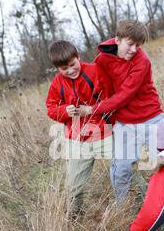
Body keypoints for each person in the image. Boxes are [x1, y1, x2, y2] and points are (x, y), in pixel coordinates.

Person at [80, 20, 164, 205]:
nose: (134, 49)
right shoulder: (102, 59)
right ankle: (123, 209)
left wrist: (94, 109)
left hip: (152, 117)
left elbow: (125, 95)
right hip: (125, 123)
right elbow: (97, 84)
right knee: (121, 169)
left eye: (138, 45)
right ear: (117, 40)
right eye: (130, 44)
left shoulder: (142, 61)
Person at [45, 40, 113, 216]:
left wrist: (92, 109)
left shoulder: (95, 71)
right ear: (57, 69)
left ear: (78, 57)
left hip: (103, 133)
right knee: (73, 186)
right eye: (64, 68)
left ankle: (145, 203)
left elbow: (111, 99)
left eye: (72, 64)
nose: (70, 70)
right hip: (76, 139)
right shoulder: (57, 83)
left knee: (125, 169)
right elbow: (51, 110)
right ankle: (74, 220)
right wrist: (64, 111)